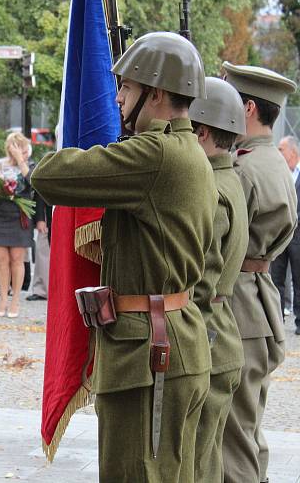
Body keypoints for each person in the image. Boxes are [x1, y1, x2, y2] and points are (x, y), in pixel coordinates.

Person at [31, 32, 214, 481]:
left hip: (147, 355)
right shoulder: (188, 150)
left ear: (154, 93)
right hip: (171, 343)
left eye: (126, 88)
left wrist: (113, 146)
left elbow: (48, 176)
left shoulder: (153, 155)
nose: (115, 98)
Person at [221, 62, 298, 483]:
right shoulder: (270, 162)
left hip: (239, 304)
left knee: (232, 440)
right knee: (247, 429)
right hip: (257, 300)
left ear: (247, 108)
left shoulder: (246, 167)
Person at [188, 77, 249, 483]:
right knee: (205, 462)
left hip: (205, 339)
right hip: (222, 336)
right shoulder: (230, 179)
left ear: (203, 132)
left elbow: (197, 282)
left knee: (193, 466)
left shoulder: (209, 189)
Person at [0, 133, 34, 318]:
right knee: (1, 258)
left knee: (17, 258)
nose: (15, 149)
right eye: (12, 146)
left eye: (19, 145)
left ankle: (15, 300)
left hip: (19, 215)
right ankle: (3, 299)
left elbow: (32, 183)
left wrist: (21, 160)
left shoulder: (29, 166)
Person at [272, 135, 300, 320]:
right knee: (276, 280)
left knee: (298, 281)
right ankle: (278, 318)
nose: (278, 152)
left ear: (293, 152)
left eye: (281, 149)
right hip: (279, 236)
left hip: (298, 237)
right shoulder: (278, 173)